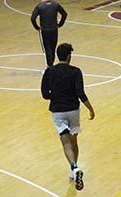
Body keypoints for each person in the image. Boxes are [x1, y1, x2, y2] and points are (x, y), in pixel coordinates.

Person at [40, 42, 95, 189]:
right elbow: (80, 93)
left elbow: (45, 95)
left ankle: (74, 167)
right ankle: (73, 170)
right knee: (74, 141)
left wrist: (56, 95)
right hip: (74, 111)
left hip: (58, 111)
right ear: (69, 56)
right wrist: (90, 108)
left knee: (65, 143)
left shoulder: (49, 72)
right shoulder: (76, 71)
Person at [30, 0, 68, 67]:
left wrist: (36, 27)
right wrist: (60, 24)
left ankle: (50, 66)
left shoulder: (39, 6)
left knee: (47, 49)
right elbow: (64, 14)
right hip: (54, 29)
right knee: (53, 48)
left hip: (45, 30)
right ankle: (51, 65)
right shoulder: (55, 4)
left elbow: (33, 18)